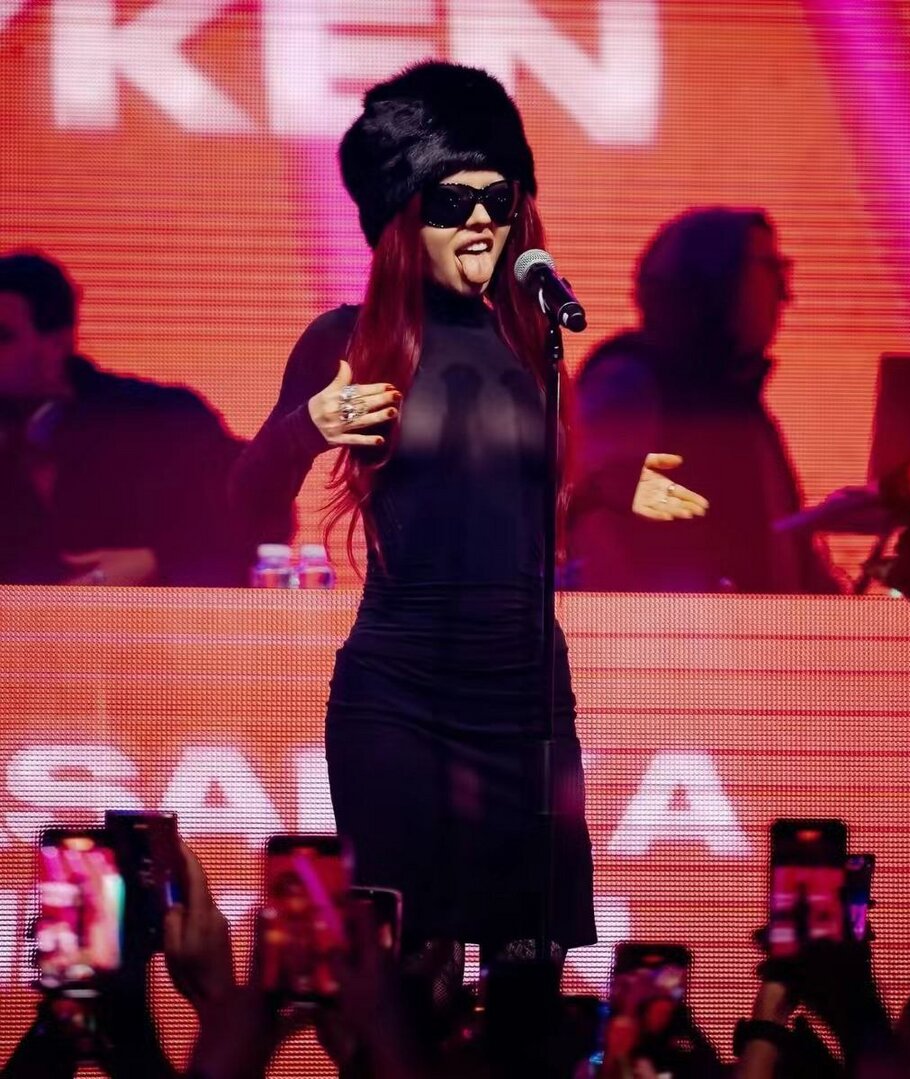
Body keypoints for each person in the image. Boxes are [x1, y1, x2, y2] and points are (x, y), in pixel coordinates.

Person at [230, 59, 697, 1012]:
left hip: (525, 697)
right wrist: (305, 429)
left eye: (499, 197)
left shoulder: (534, 341)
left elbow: (514, 504)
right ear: (403, 216)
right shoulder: (348, 338)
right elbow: (240, 502)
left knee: (531, 981)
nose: (482, 219)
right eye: (453, 200)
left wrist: (607, 487)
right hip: (401, 694)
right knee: (411, 980)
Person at [569, 208, 838, 594]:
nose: (785, 294)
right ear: (712, 279)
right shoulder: (633, 379)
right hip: (670, 631)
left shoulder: (737, 397)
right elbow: (594, 518)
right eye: (769, 268)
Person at [0, 252, 275, 586]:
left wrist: (159, 560)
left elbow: (266, 510)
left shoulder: (159, 417)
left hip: (147, 617)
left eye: (2, 336)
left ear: (56, 343)